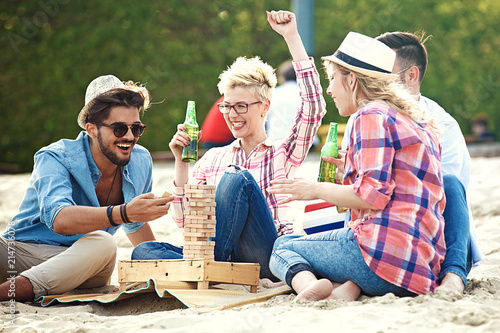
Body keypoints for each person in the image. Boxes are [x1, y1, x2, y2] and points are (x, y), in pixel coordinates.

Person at [131, 10, 326, 281]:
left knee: (238, 180)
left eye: (241, 106)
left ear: (265, 107)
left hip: (264, 255)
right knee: (144, 251)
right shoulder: (212, 158)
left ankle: (212, 267)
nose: (232, 114)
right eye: (227, 106)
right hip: (218, 252)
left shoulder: (283, 152)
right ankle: (216, 267)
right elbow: (184, 222)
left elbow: (314, 107)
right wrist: (180, 162)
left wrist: (291, 37)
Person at [268, 30, 447, 301]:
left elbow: (372, 197)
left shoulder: (370, 114)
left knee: (282, 247)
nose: (329, 89)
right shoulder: (415, 120)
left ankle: (307, 287)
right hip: (420, 271)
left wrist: (315, 189)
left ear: (351, 80)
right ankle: (344, 289)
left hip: (383, 259)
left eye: (331, 79)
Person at [0, 75, 173, 301]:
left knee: (104, 244)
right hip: (22, 253)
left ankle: (8, 292)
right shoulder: (55, 156)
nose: (130, 137)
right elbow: (59, 219)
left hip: (88, 262)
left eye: (137, 128)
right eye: (120, 128)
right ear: (91, 129)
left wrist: (164, 268)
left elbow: (136, 226)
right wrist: (125, 213)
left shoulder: (140, 160)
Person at [341, 32, 483, 294]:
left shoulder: (443, 125)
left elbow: (437, 198)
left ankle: (454, 274)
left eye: (384, 72)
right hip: (380, 230)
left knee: (449, 183)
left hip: (436, 233)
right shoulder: (361, 117)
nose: (374, 79)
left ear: (411, 76)